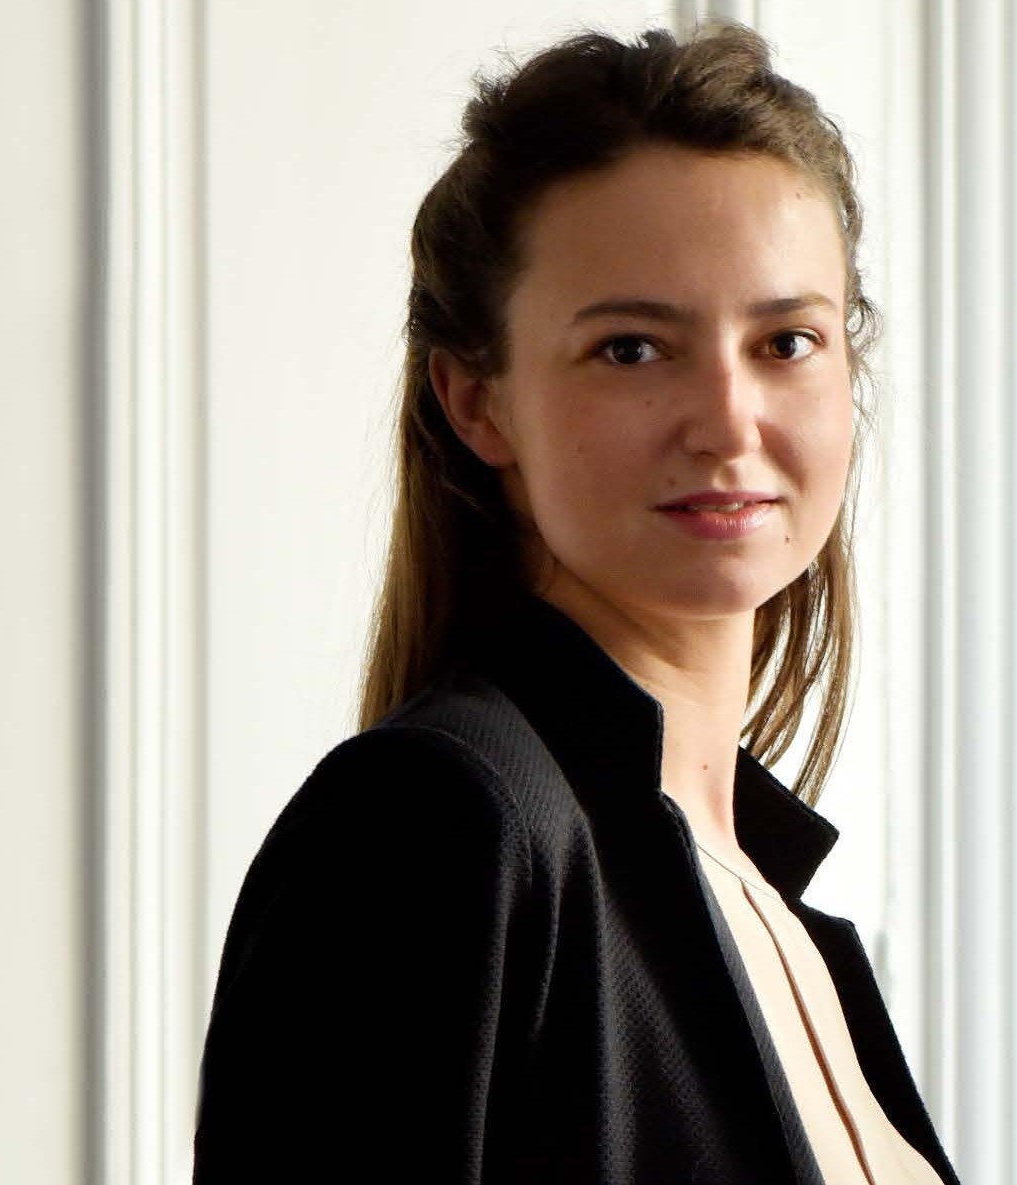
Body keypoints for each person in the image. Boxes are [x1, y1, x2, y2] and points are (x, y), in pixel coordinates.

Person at [192, 23, 959, 1184]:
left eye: (785, 341)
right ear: (477, 401)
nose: (729, 421)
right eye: (632, 350)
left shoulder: (763, 897)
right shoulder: (429, 826)